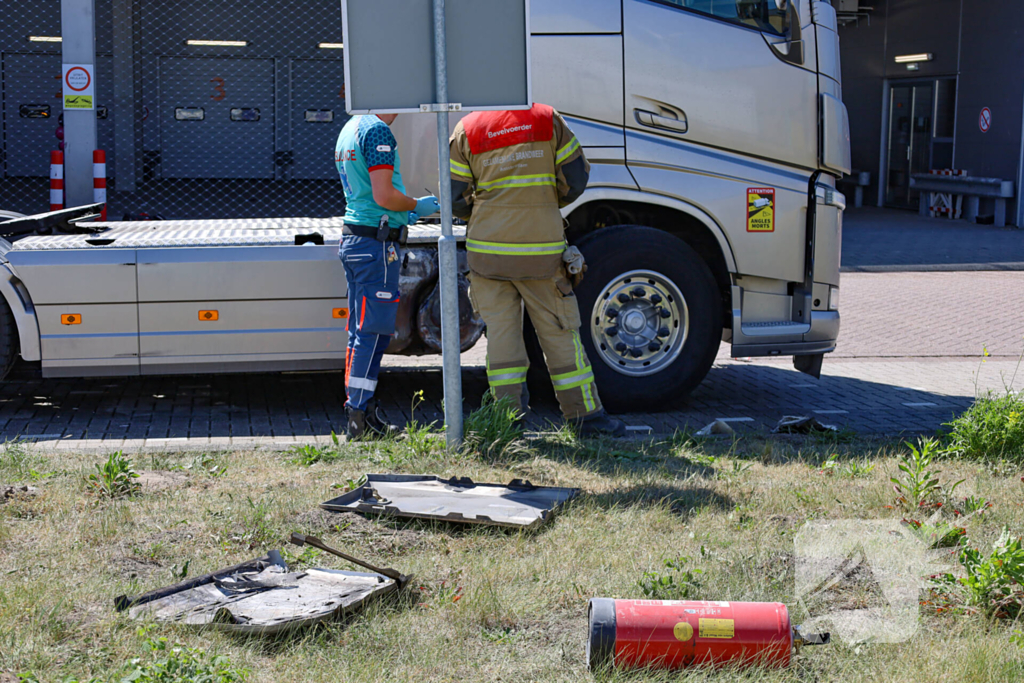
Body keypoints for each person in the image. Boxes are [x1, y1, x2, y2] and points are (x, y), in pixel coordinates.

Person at [449, 103, 625, 437]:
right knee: (559, 332)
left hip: (488, 253)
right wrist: (543, 203)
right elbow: (575, 179)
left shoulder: (467, 128)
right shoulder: (547, 118)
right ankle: (586, 418)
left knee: (502, 337)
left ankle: (508, 420)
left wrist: (486, 214)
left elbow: (455, 196)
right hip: (541, 253)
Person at [335, 113, 439, 439]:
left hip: (358, 239)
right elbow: (383, 196)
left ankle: (358, 411)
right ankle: (360, 418)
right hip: (376, 246)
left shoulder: (350, 128)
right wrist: (415, 205)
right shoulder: (377, 130)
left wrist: (401, 212)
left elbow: (369, 194)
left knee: (359, 332)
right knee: (373, 333)